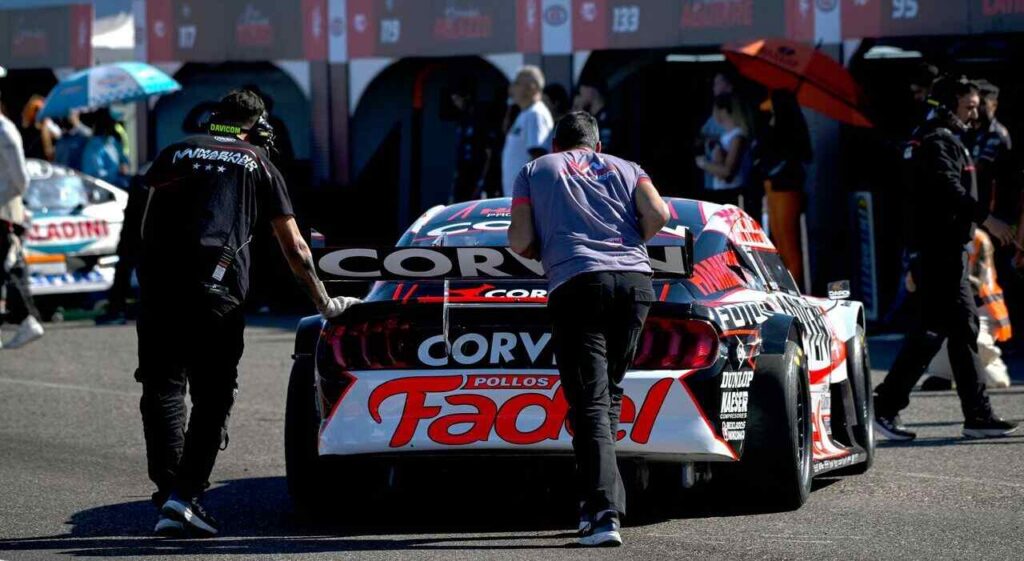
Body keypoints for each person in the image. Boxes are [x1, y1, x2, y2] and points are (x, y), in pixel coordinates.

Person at [136, 90, 360, 537]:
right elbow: (295, 246)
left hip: (160, 288)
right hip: (216, 291)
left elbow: (143, 222)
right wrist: (325, 302)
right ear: (255, 124)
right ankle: (185, 495)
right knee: (214, 394)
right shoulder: (258, 161)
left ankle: (169, 494)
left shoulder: (174, 152)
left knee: (162, 388)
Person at [508, 111, 670, 547]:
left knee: (591, 403)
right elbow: (659, 213)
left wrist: (555, 245)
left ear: (556, 145)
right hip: (636, 283)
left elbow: (520, 239)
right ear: (597, 146)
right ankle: (598, 505)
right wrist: (628, 240)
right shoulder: (628, 167)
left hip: (577, 283)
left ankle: (603, 514)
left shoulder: (534, 170)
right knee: (605, 398)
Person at [873, 76, 1018, 441]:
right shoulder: (937, 140)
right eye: (969, 106)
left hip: (943, 249)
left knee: (951, 329)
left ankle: (973, 415)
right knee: (944, 329)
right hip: (939, 251)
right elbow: (946, 189)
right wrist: (987, 218)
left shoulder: (940, 137)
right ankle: (887, 406)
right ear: (950, 103)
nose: (974, 114)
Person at [925, 229, 1012, 389]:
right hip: (949, 306)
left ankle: (991, 365)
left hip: (983, 307)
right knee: (939, 366)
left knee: (975, 343)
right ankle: (948, 373)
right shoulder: (931, 235)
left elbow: (976, 283)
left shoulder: (979, 239)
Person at [0, 89, 45, 350]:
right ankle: (27, 319)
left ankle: (28, 319)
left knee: (8, 266)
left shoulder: (5, 131)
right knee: (10, 266)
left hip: (4, 211)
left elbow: (21, 179)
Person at [754, 91, 812, 288]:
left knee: (789, 245)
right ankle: (787, 286)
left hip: (785, 189)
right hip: (774, 189)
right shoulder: (775, 126)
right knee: (778, 243)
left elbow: (779, 157)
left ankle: (794, 288)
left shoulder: (788, 130)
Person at [501, 65, 553, 197]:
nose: (512, 88)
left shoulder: (536, 114)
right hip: (517, 197)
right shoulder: (525, 113)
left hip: (528, 198)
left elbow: (538, 156)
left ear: (532, 87)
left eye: (517, 83)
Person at [695, 93, 751, 207]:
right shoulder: (727, 135)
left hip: (733, 193)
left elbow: (727, 172)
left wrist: (702, 163)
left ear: (723, 111)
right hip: (722, 192)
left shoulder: (738, 136)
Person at [449, 81, 498, 202]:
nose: (456, 104)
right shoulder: (463, 119)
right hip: (463, 173)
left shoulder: (481, 118)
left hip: (479, 173)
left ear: (466, 97)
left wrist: (482, 181)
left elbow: (488, 152)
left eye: (457, 99)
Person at [81, 108, 130, 188]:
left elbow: (124, 159)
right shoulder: (94, 146)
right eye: (113, 122)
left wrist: (124, 164)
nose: (115, 125)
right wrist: (117, 171)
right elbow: (94, 175)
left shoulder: (112, 141)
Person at [573, 78, 616, 152]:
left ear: (592, 91)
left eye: (581, 92)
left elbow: (605, 149)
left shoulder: (606, 119)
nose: (580, 94)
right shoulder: (592, 117)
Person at [18, 95, 56, 162]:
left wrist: (45, 128)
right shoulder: (24, 131)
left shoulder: (50, 129)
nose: (38, 113)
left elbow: (50, 153)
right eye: (36, 110)